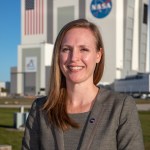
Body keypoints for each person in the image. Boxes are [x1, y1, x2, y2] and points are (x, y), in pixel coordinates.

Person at [22, 19, 144, 150]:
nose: (74, 58)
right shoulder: (41, 109)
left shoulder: (120, 107)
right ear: (58, 55)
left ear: (98, 55)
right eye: (66, 49)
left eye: (84, 49)